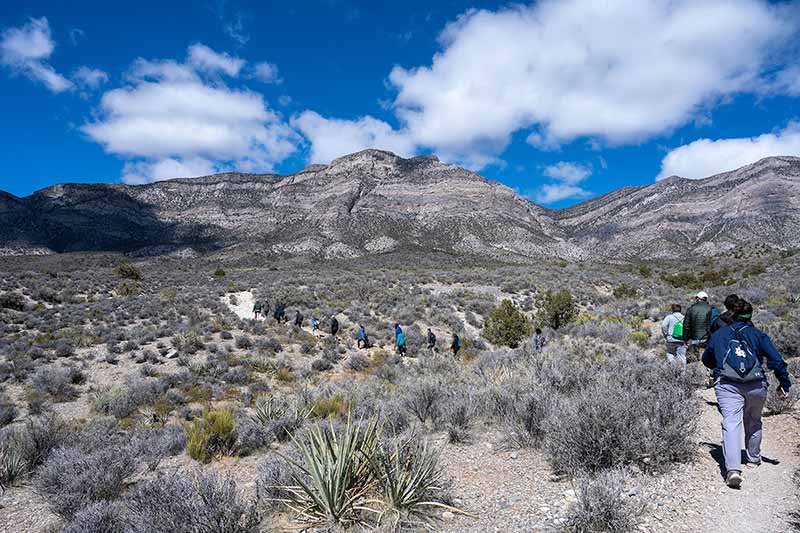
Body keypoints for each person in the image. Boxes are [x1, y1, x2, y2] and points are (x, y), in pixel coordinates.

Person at [702, 299, 791, 488]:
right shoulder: (759, 335)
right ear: (751, 316)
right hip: (756, 385)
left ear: (731, 314)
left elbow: (707, 359)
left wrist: (717, 365)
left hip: (728, 385)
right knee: (754, 419)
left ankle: (733, 469)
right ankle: (753, 458)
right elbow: (777, 360)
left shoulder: (719, 335)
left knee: (731, 423)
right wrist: (784, 383)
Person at [683, 291, 718, 373]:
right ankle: (707, 379)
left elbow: (686, 326)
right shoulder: (712, 309)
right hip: (707, 339)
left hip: (693, 339)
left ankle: (693, 379)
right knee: (705, 362)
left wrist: (685, 339)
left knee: (692, 362)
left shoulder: (691, 309)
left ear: (698, 299)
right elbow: (715, 324)